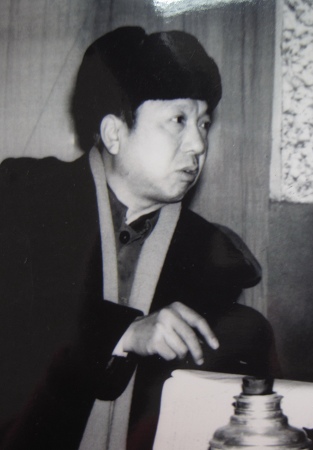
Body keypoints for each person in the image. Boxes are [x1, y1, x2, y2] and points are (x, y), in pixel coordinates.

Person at [0, 27, 277, 450]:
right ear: (115, 133)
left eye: (204, 123)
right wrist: (124, 332)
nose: (198, 143)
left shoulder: (209, 255)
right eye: (178, 120)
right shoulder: (24, 199)